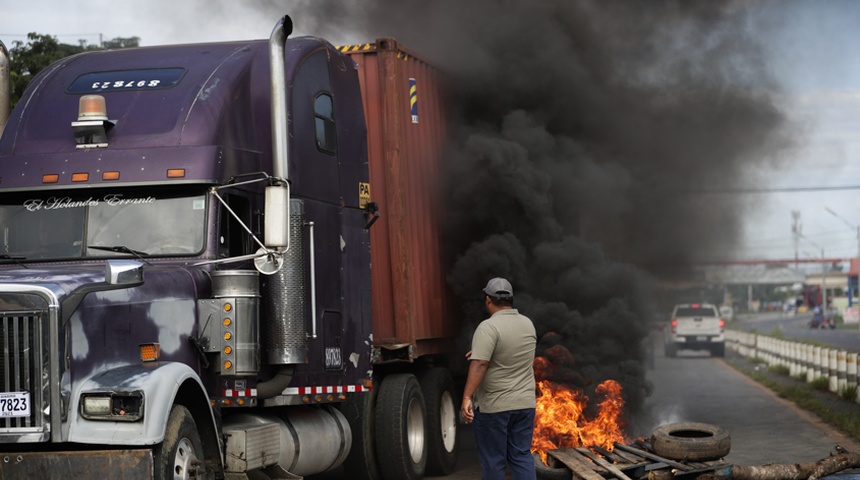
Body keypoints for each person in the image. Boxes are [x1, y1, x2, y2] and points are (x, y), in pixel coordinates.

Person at [461, 277, 537, 480]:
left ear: (488, 300)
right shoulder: (528, 324)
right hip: (524, 405)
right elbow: (517, 356)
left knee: (493, 460)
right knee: (521, 456)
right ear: (511, 299)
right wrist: (479, 352)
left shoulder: (488, 327)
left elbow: (480, 364)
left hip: (495, 407)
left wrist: (467, 397)